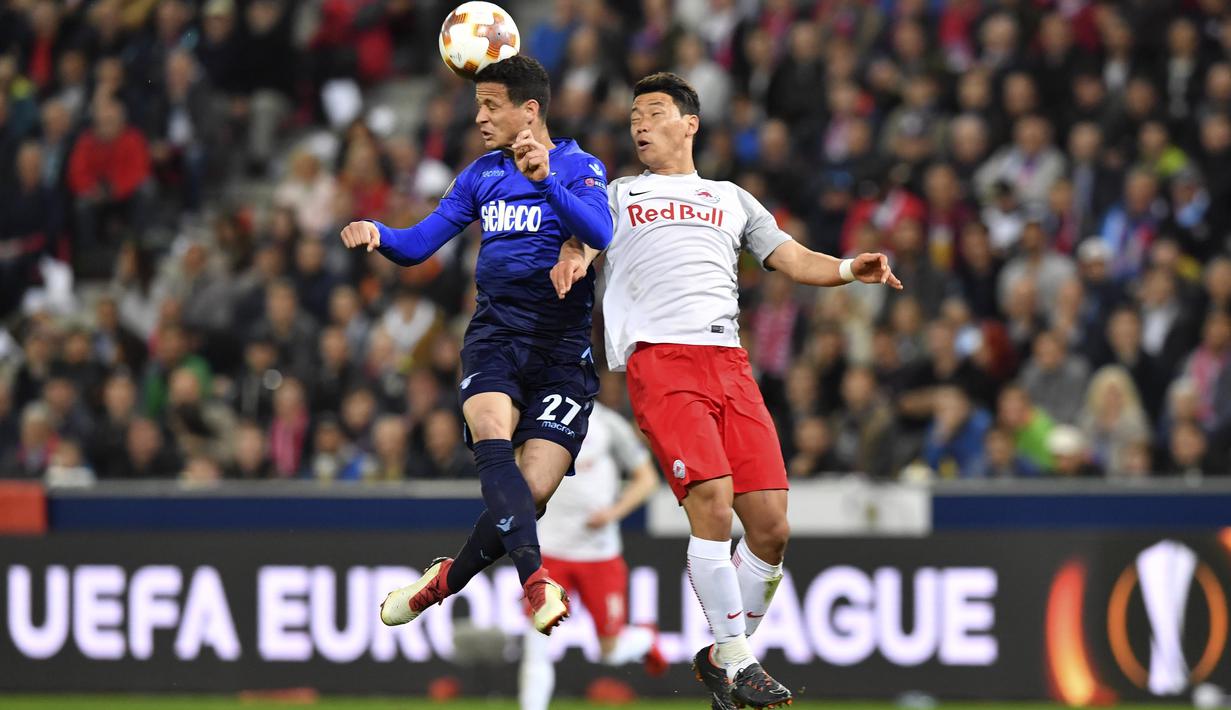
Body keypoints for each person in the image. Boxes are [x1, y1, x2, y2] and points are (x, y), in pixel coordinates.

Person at [552, 72, 901, 708]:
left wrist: (852, 268)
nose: (639, 124)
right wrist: (576, 253)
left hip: (730, 365)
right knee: (711, 500)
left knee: (770, 527)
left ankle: (722, 652)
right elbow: (580, 234)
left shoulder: (730, 197)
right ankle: (739, 660)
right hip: (663, 362)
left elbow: (791, 257)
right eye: (633, 115)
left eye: (653, 112)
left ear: (689, 123)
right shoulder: (618, 193)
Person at [338, 55, 612, 635]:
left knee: (531, 493)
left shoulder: (579, 165)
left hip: (562, 353)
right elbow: (419, 245)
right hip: (495, 336)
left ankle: (447, 578)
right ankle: (535, 582)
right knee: (491, 428)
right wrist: (379, 233)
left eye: (491, 105)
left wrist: (545, 183)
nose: (480, 116)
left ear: (529, 110)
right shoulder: (481, 174)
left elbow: (600, 232)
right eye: (478, 104)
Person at [518, 401, 665, 710]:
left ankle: (645, 640)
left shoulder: (609, 424)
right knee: (537, 641)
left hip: (599, 554)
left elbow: (647, 479)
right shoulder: (536, 419)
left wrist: (613, 513)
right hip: (551, 552)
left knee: (609, 653)